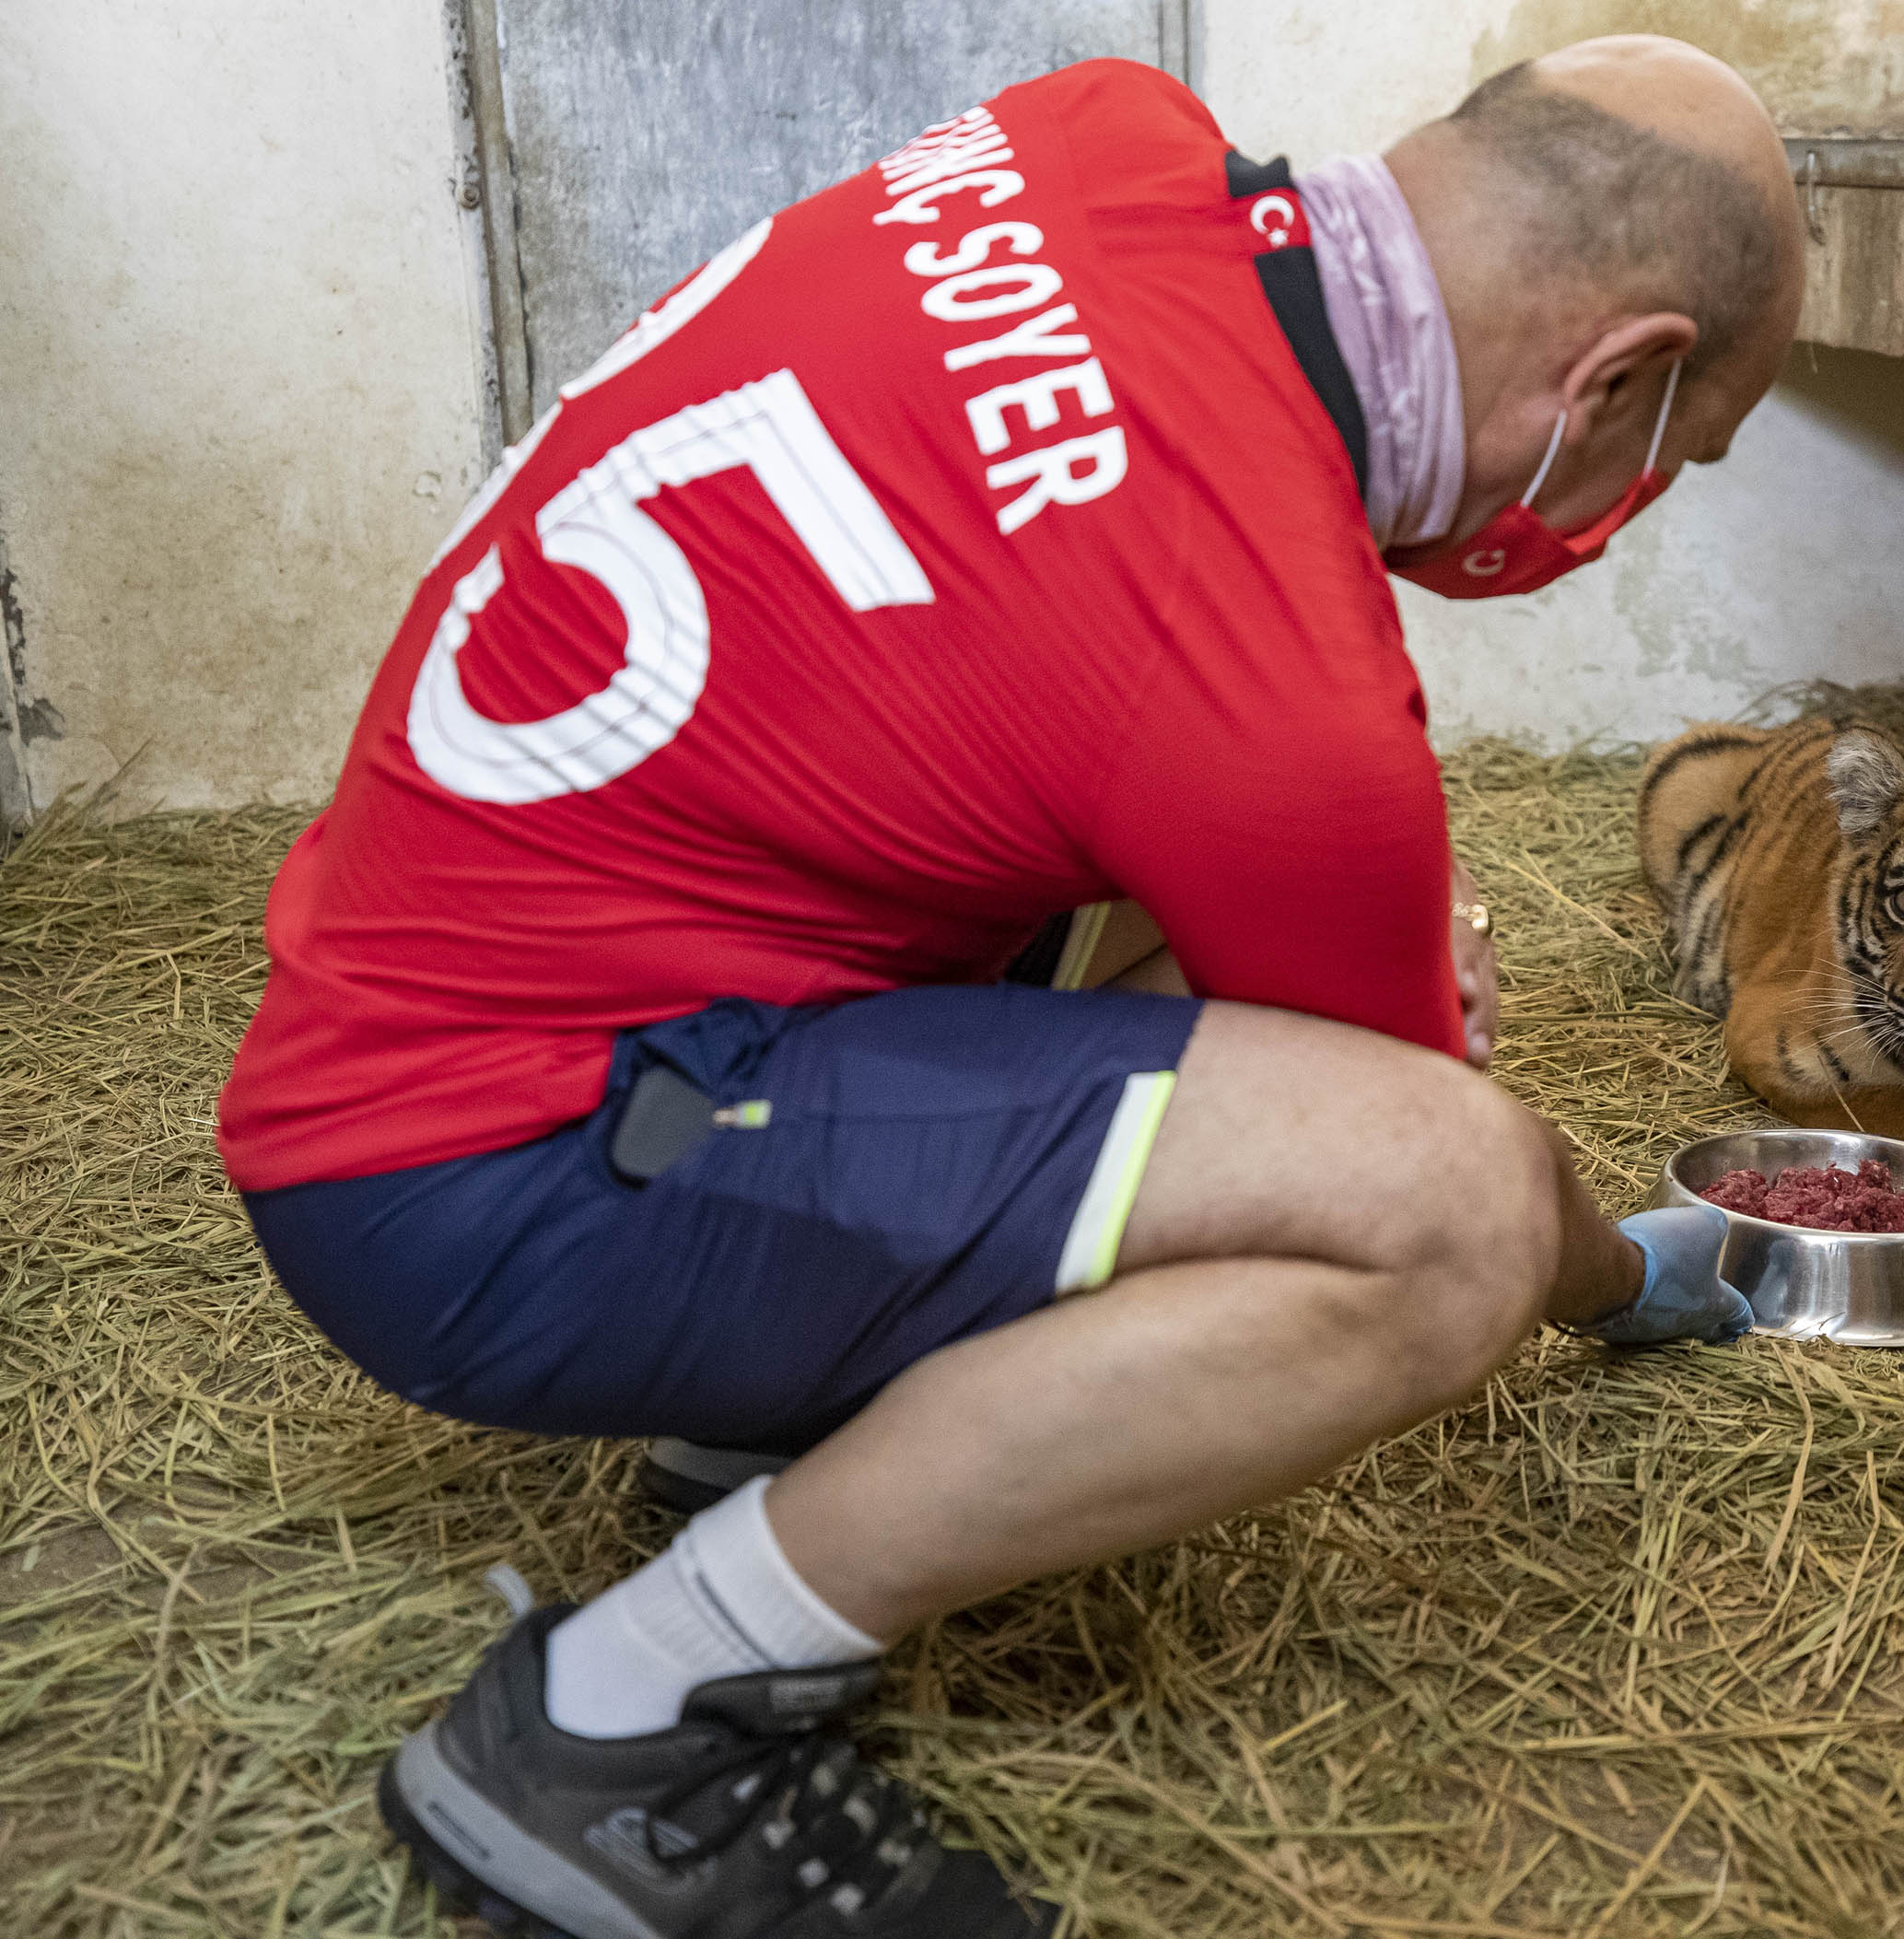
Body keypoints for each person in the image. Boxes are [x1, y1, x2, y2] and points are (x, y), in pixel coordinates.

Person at [218, 35, 1803, 1939]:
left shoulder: (1096, 128)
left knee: (1180, 970)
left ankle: (769, 1398)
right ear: (1616, 375)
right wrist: (1634, 1274)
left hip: (446, 1018)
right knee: (1436, 1216)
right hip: (469, 1176)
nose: (1629, 500)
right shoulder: (1278, 698)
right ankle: (628, 1716)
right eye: (1667, 454)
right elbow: (1427, 1155)